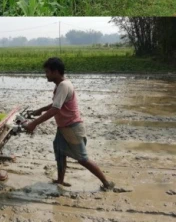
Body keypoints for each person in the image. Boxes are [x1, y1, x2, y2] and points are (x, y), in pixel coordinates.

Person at [23, 57, 114, 191]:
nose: (46, 75)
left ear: (55, 72)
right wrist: (40, 110)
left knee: (83, 159)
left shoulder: (64, 86)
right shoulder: (61, 85)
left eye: (47, 72)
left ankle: (107, 183)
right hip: (63, 127)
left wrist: (34, 124)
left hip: (72, 127)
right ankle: (60, 180)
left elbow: (56, 109)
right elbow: (56, 103)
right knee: (60, 152)